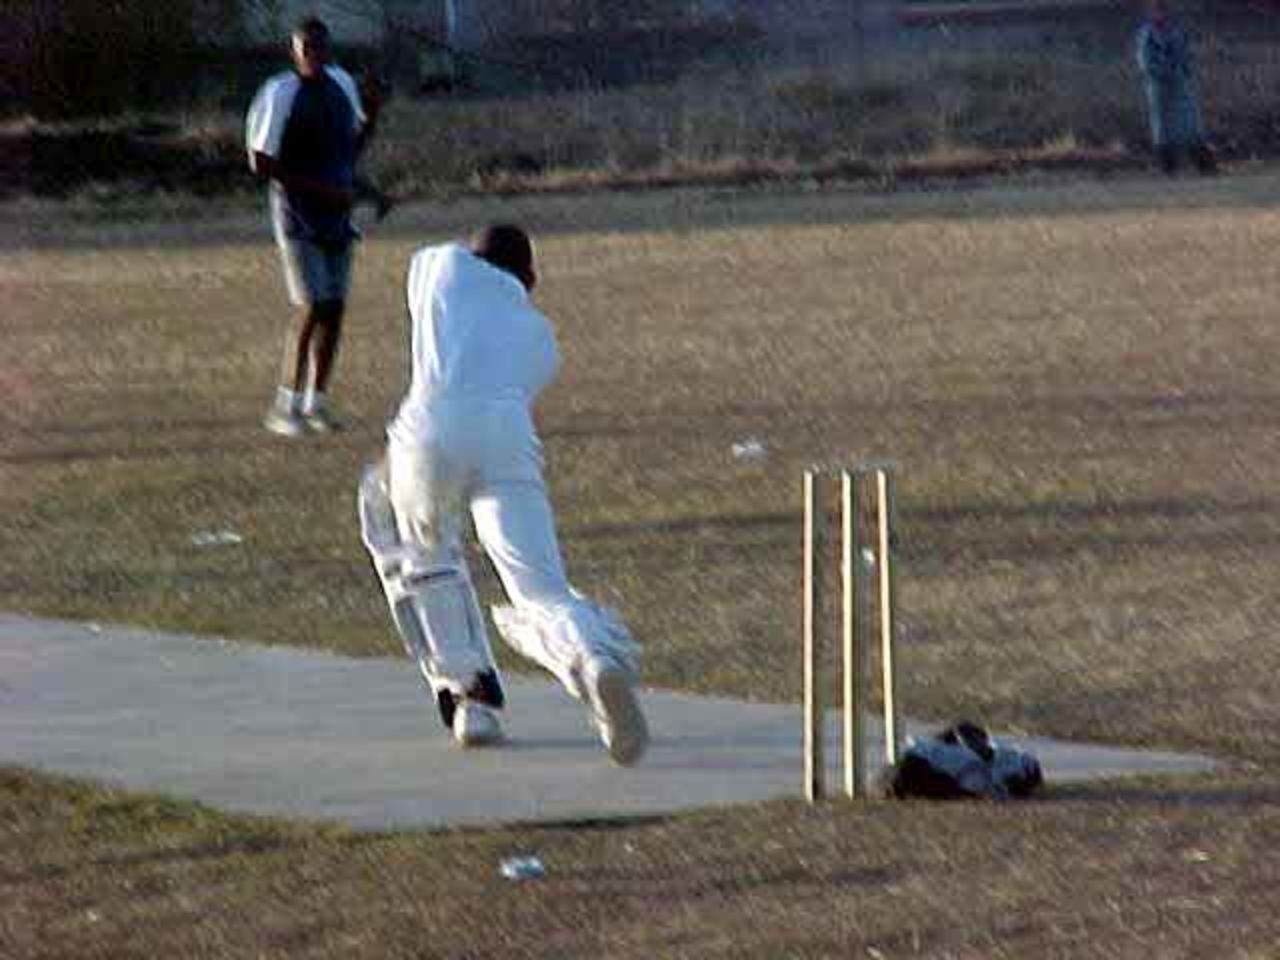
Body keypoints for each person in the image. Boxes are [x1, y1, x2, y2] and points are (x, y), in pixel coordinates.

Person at [357, 225, 649, 766]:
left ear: (475, 254)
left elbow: (442, 264)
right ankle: (592, 657)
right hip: (508, 440)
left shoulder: (439, 266)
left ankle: (470, 699)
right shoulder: (541, 338)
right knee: (539, 588)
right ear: (530, 280)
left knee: (424, 560)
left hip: (428, 437)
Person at [246, 16, 384, 437]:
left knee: (334, 309)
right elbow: (260, 161)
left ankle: (316, 404)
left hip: (336, 215)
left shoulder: (341, 85)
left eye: (320, 47)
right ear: (294, 52)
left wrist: (373, 112)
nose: (315, 55)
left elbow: (350, 147)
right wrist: (322, 189)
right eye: (306, 49)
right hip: (297, 216)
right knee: (310, 305)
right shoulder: (280, 92)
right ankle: (284, 406)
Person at [1135, 0, 1216, 176]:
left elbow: (1185, 54)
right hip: (1159, 85)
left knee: (1190, 123)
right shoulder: (1147, 35)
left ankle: (1204, 164)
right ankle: (1168, 166)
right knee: (1163, 127)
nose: (1159, 15)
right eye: (1155, 11)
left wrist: (1184, 71)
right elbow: (1145, 61)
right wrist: (1160, 72)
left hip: (1179, 84)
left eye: (1162, 10)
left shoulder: (1175, 32)